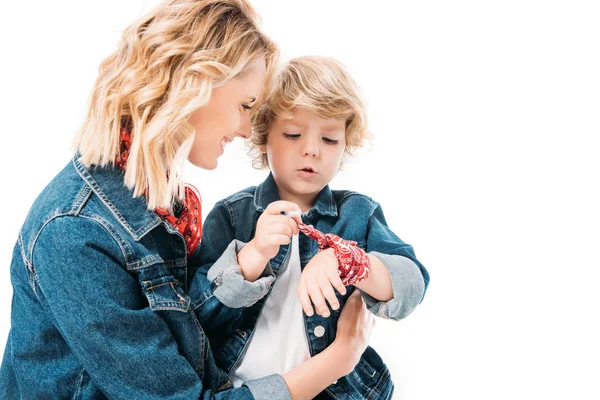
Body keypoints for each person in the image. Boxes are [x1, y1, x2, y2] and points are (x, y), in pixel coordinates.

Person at [0, 2, 373, 399]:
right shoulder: (77, 232)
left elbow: (189, 341)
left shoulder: (157, 207)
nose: (248, 130)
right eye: (245, 106)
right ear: (196, 86)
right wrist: (338, 359)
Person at [187, 56, 430, 400]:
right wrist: (252, 256)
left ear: (346, 145)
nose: (312, 150)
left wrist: (346, 261)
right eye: (292, 134)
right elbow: (196, 319)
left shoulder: (358, 212)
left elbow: (412, 284)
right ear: (263, 136)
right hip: (241, 391)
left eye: (330, 139)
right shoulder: (232, 214)